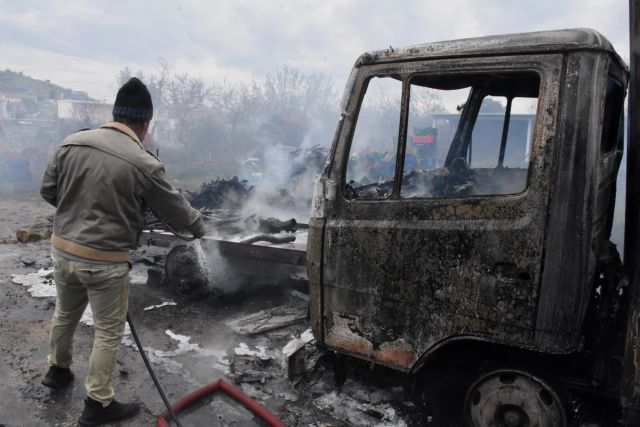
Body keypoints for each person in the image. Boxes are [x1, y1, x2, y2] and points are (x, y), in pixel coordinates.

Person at [39, 77, 205, 426]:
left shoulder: (72, 143)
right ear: (145, 124)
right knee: (108, 330)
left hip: (63, 251)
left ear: (115, 114)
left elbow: (48, 191)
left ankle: (57, 371)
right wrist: (200, 227)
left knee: (65, 314)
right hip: (103, 262)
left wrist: (76, 211)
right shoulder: (143, 162)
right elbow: (176, 210)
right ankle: (98, 403)